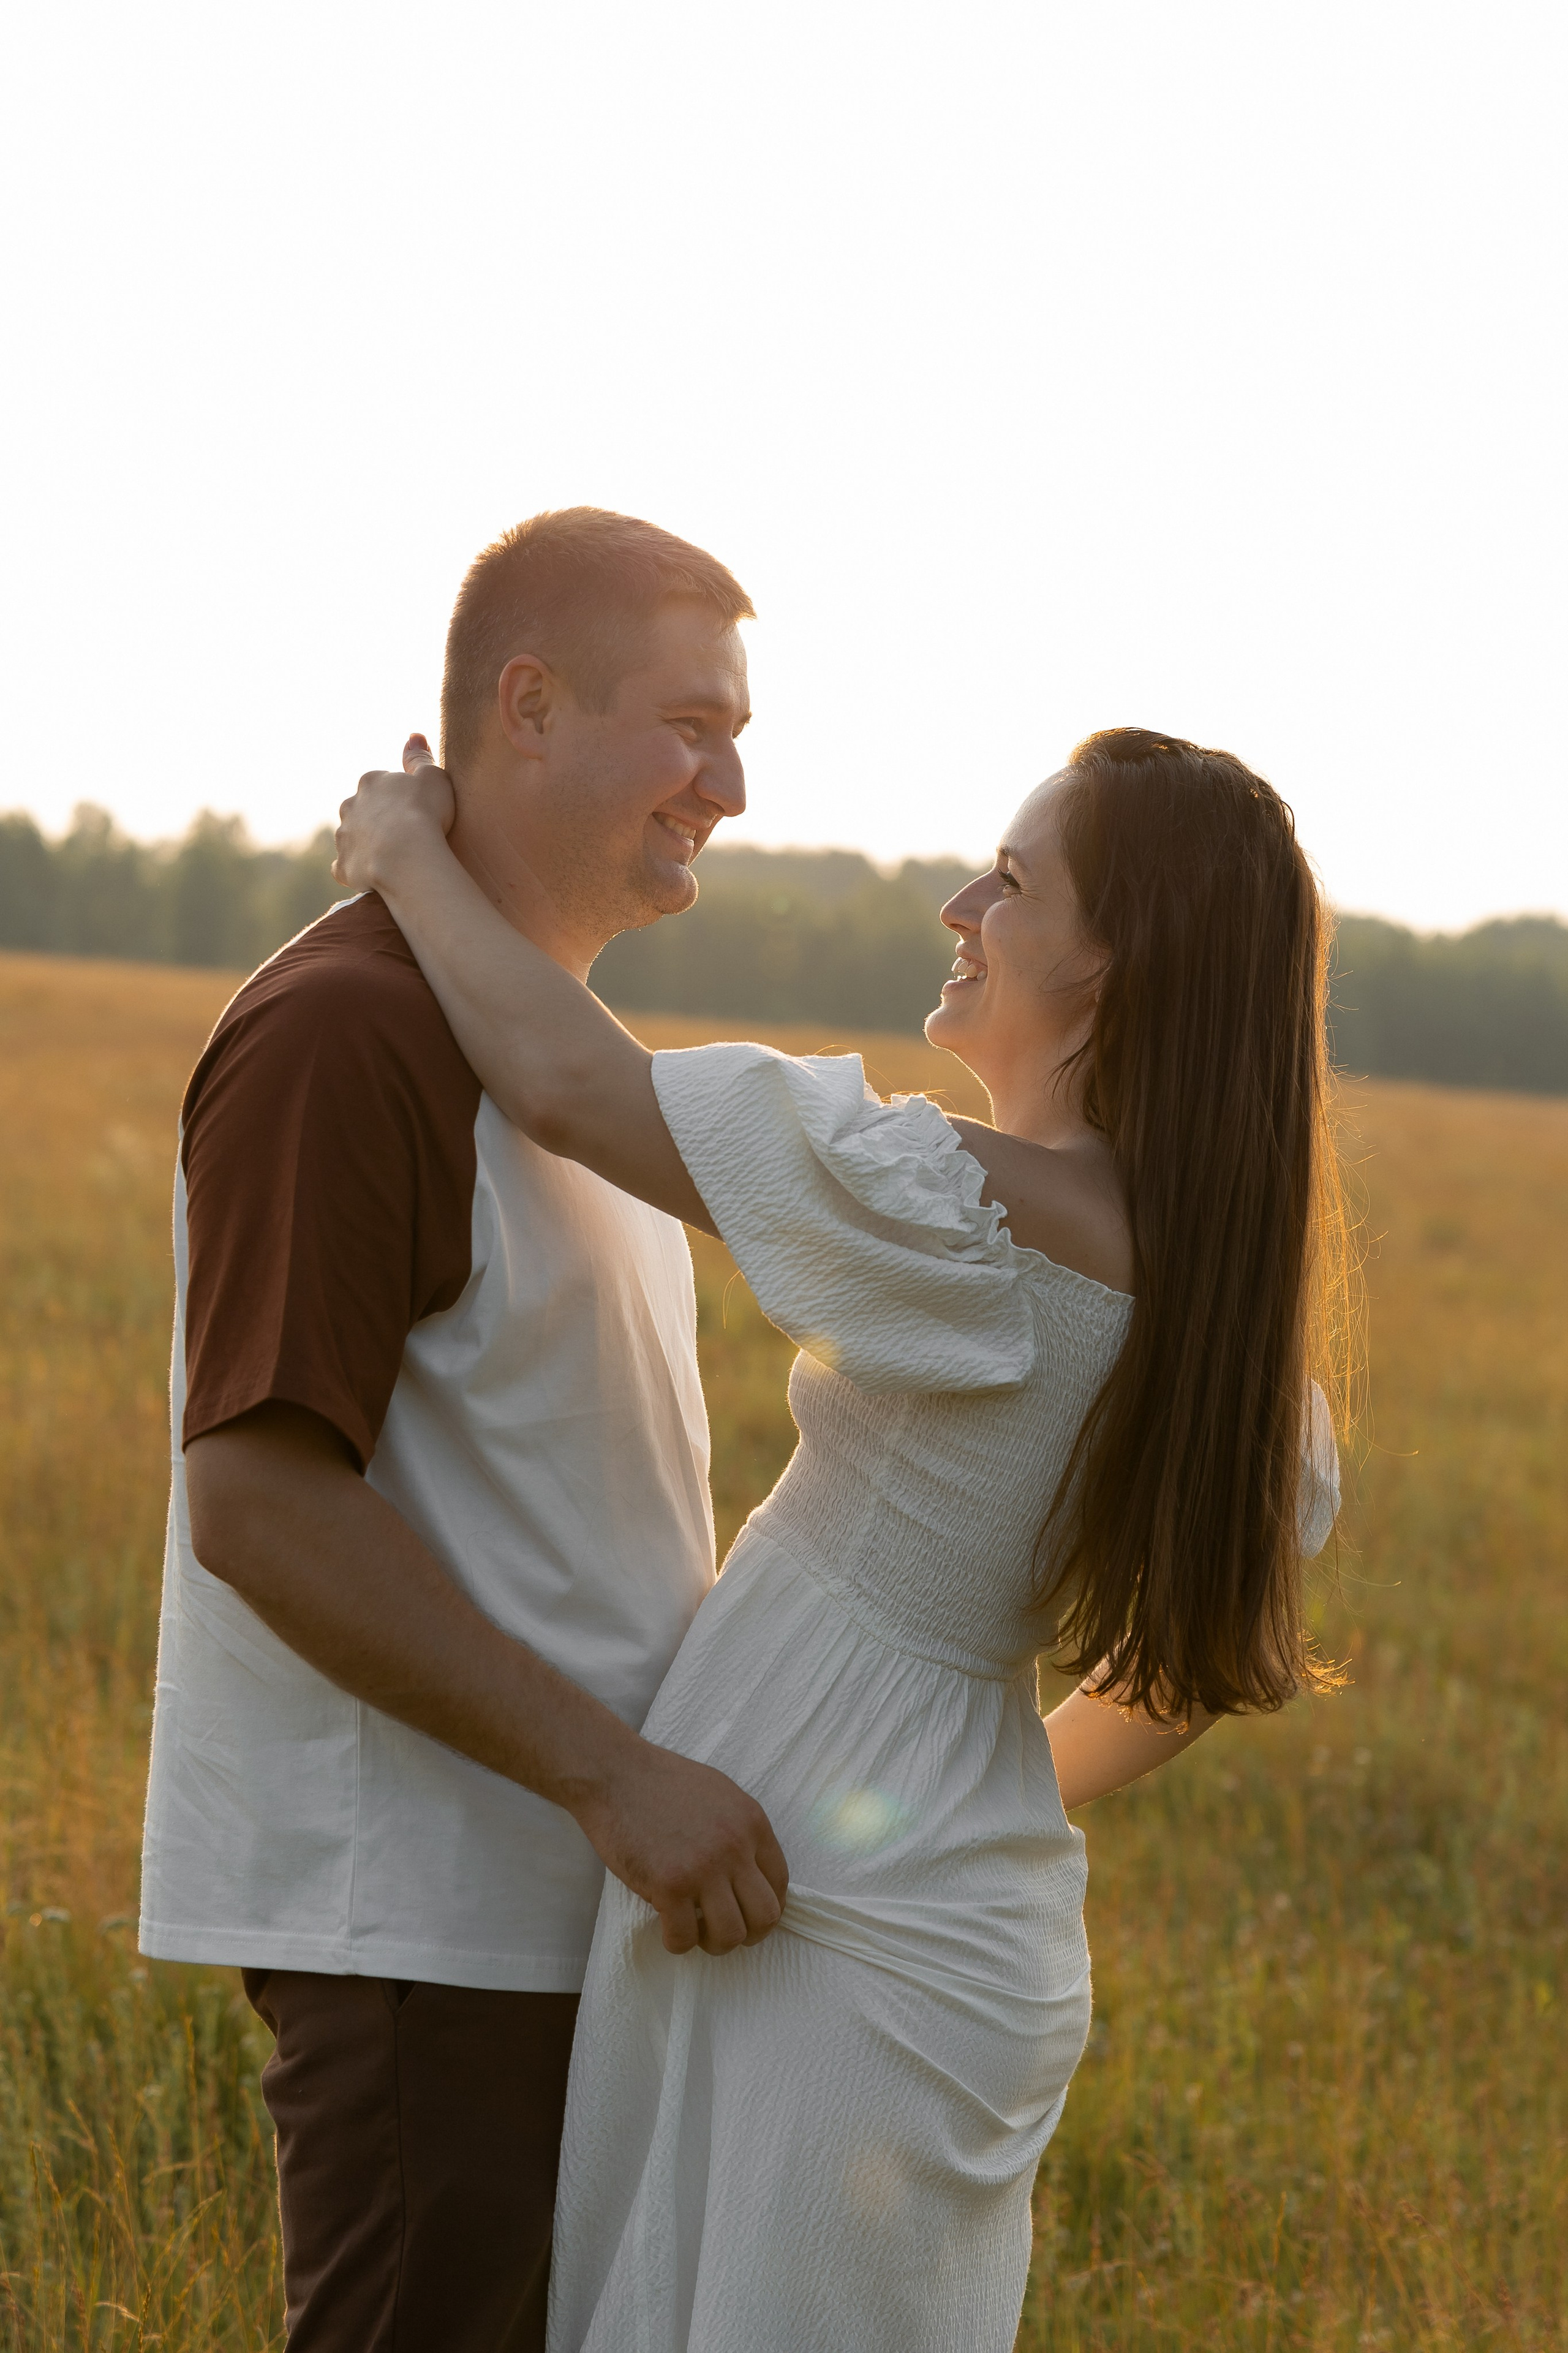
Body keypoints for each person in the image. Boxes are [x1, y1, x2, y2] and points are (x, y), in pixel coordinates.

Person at [331, 722, 1347, 2353]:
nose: (960, 899)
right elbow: (1182, 1680)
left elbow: (568, 1080)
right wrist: (990, 1779)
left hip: (818, 1939)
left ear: (1113, 960)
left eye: (1012, 880)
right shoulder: (1238, 1337)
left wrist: (401, 852)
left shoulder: (972, 1207)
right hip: (939, 1926)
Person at [137, 508, 793, 2353]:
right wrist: (614, 1773)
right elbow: (259, 1503)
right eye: (690, 723)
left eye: (738, 736)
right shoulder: (350, 1030)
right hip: (423, 1929)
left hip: (556, 1925)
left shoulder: (546, 1055)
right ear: (528, 704)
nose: (727, 784)